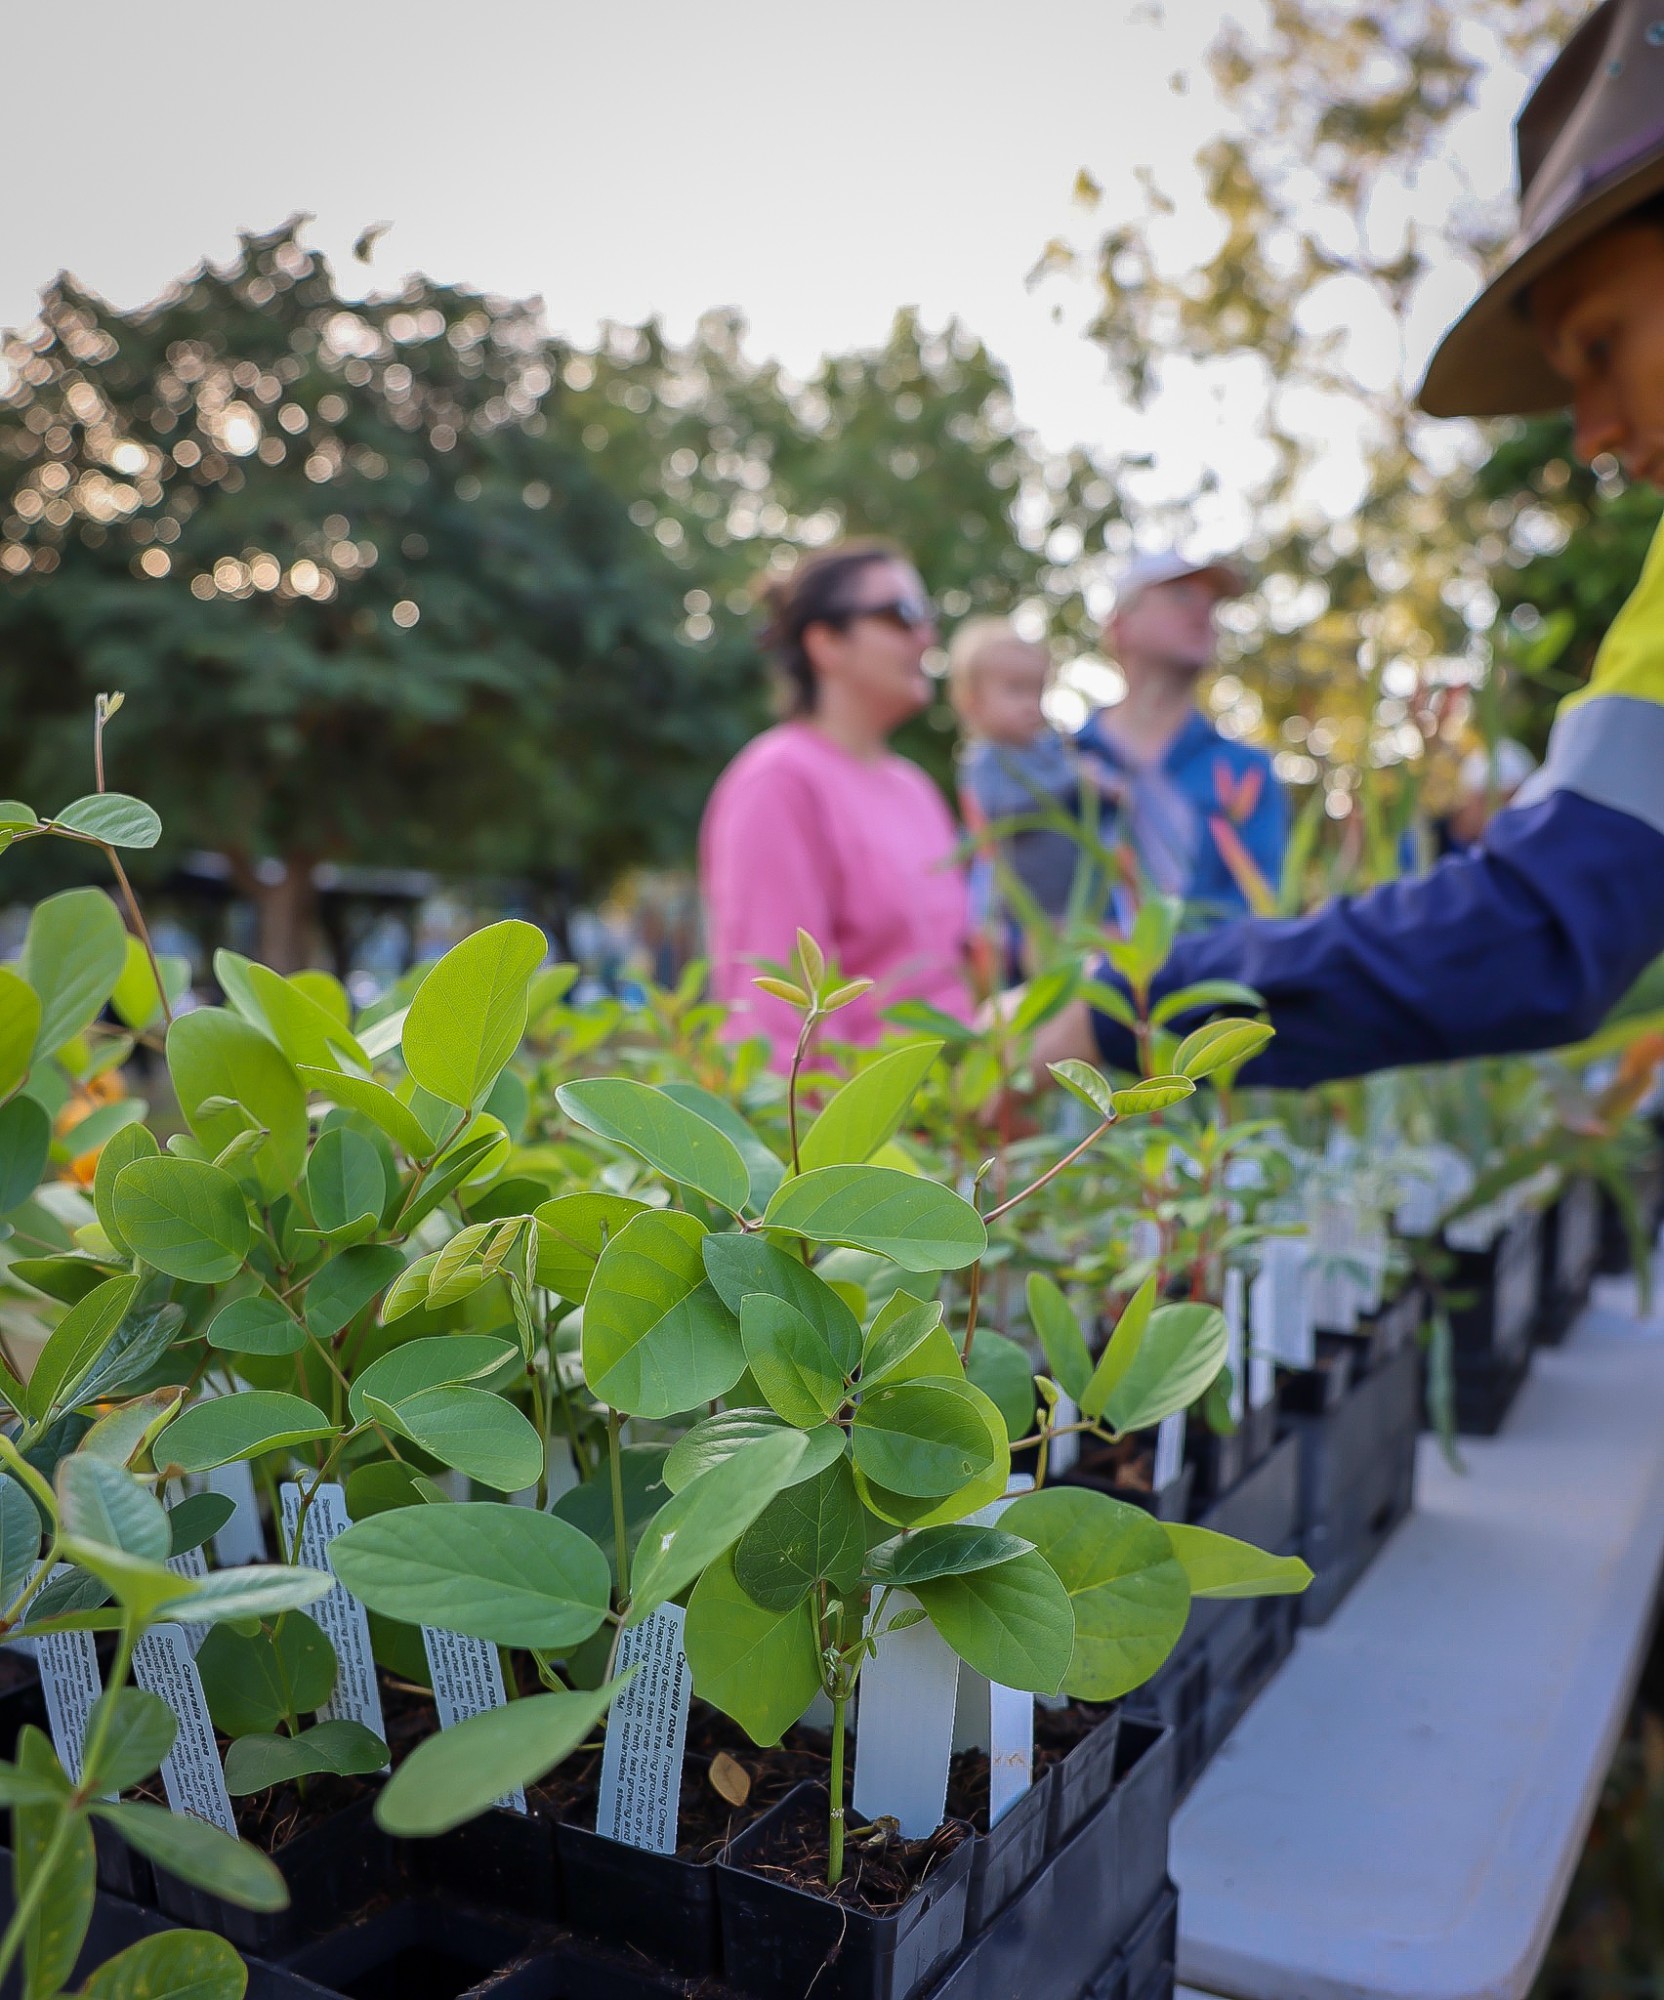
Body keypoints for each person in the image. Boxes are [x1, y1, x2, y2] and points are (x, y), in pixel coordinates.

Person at [1033, 0, 1664, 1094]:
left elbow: (1537, 921)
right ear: (1114, 625)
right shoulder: (1054, 773)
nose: (1595, 433)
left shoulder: (1238, 774)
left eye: (1600, 344)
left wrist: (1130, 1010)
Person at [699, 541, 971, 1061]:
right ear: (826, 643)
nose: (926, 635)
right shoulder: (779, 781)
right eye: (901, 615)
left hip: (954, 1126)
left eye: (927, 616)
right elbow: (777, 1022)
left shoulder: (917, 788)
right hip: (862, 1134)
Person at [1075, 552, 1288, 923]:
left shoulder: (1247, 771)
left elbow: (1261, 911)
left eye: (1212, 603)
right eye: (1182, 595)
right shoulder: (1059, 762)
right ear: (1120, 626)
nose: (1203, 612)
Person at [949, 620, 1084, 977]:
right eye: (1014, 690)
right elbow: (1000, 808)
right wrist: (1073, 780)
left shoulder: (1052, 753)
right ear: (972, 702)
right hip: (1012, 922)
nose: (1030, 705)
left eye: (1036, 692)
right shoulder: (984, 758)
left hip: (1069, 914)